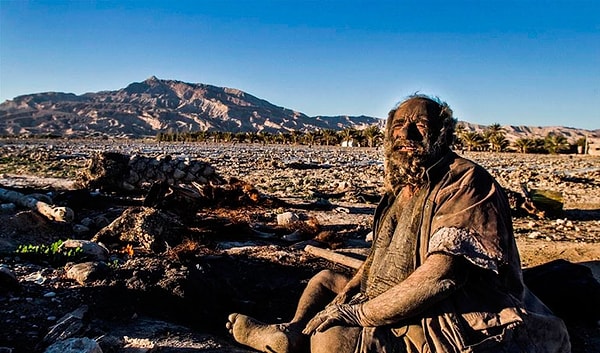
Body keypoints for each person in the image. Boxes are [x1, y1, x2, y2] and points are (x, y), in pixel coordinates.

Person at [226, 95, 570, 353]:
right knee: (326, 279)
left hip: (451, 309)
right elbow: (375, 259)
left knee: (333, 338)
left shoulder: (464, 181)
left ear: (442, 133)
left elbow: (442, 276)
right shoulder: (399, 191)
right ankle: (292, 330)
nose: (406, 133)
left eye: (420, 125)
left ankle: (303, 341)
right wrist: (347, 295)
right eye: (398, 126)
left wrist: (359, 314)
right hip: (388, 294)